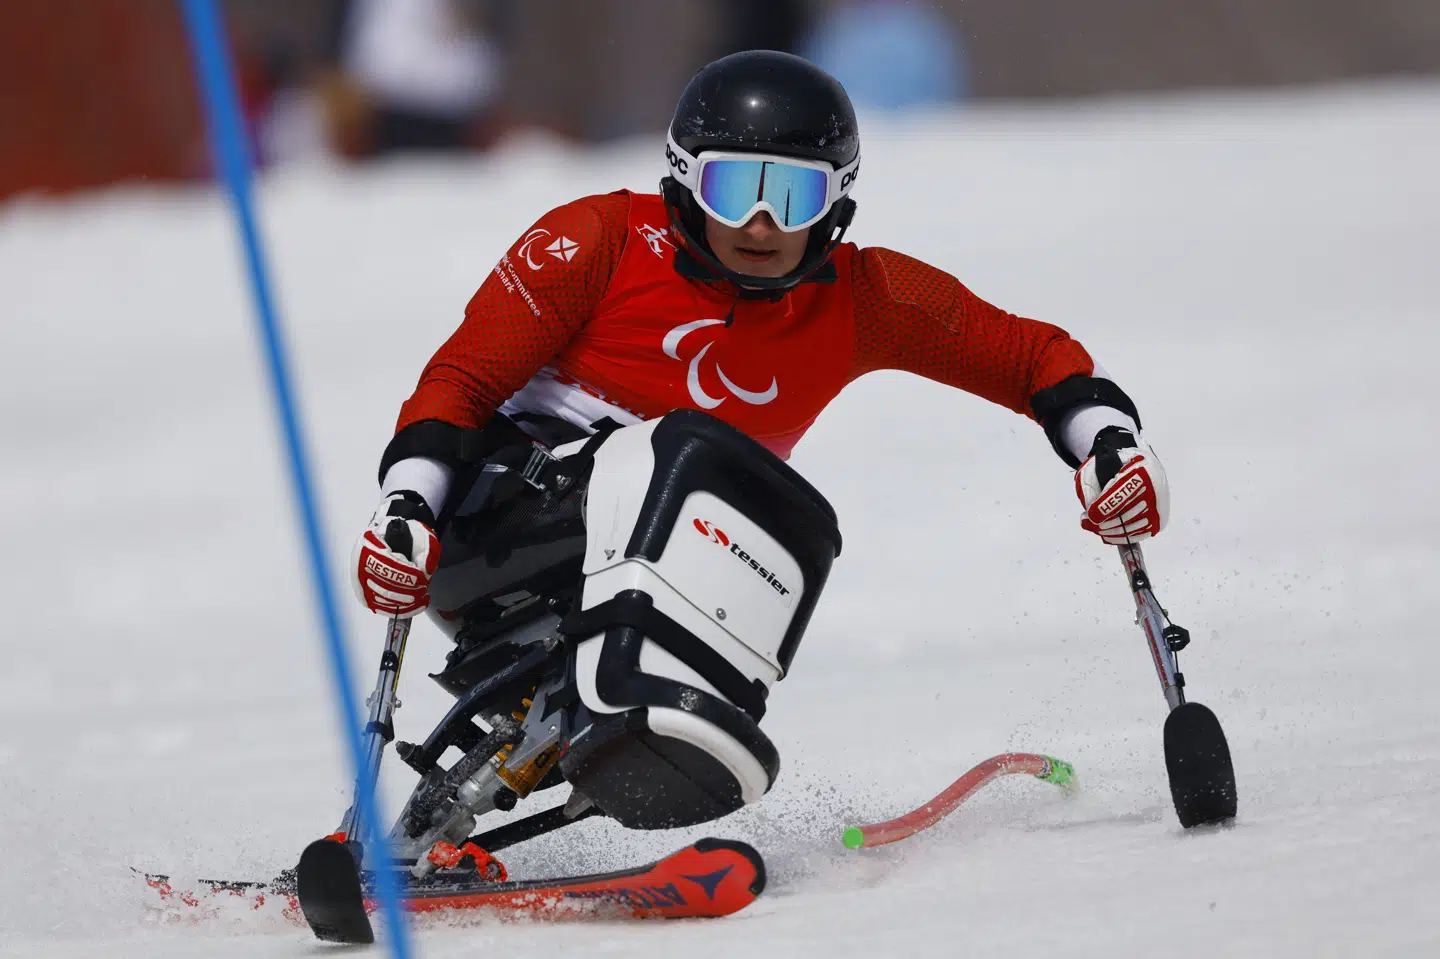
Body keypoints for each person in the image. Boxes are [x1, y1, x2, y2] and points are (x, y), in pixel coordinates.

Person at [351, 50, 1166, 622]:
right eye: (734, 185)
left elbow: (1026, 357)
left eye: (794, 194)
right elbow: (461, 380)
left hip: (678, 567)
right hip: (495, 529)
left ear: (837, 204)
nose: (762, 222)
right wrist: (406, 505)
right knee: (690, 458)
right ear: (683, 179)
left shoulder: (867, 297)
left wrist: (1109, 444)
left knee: (790, 528)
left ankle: (653, 754)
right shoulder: (597, 240)